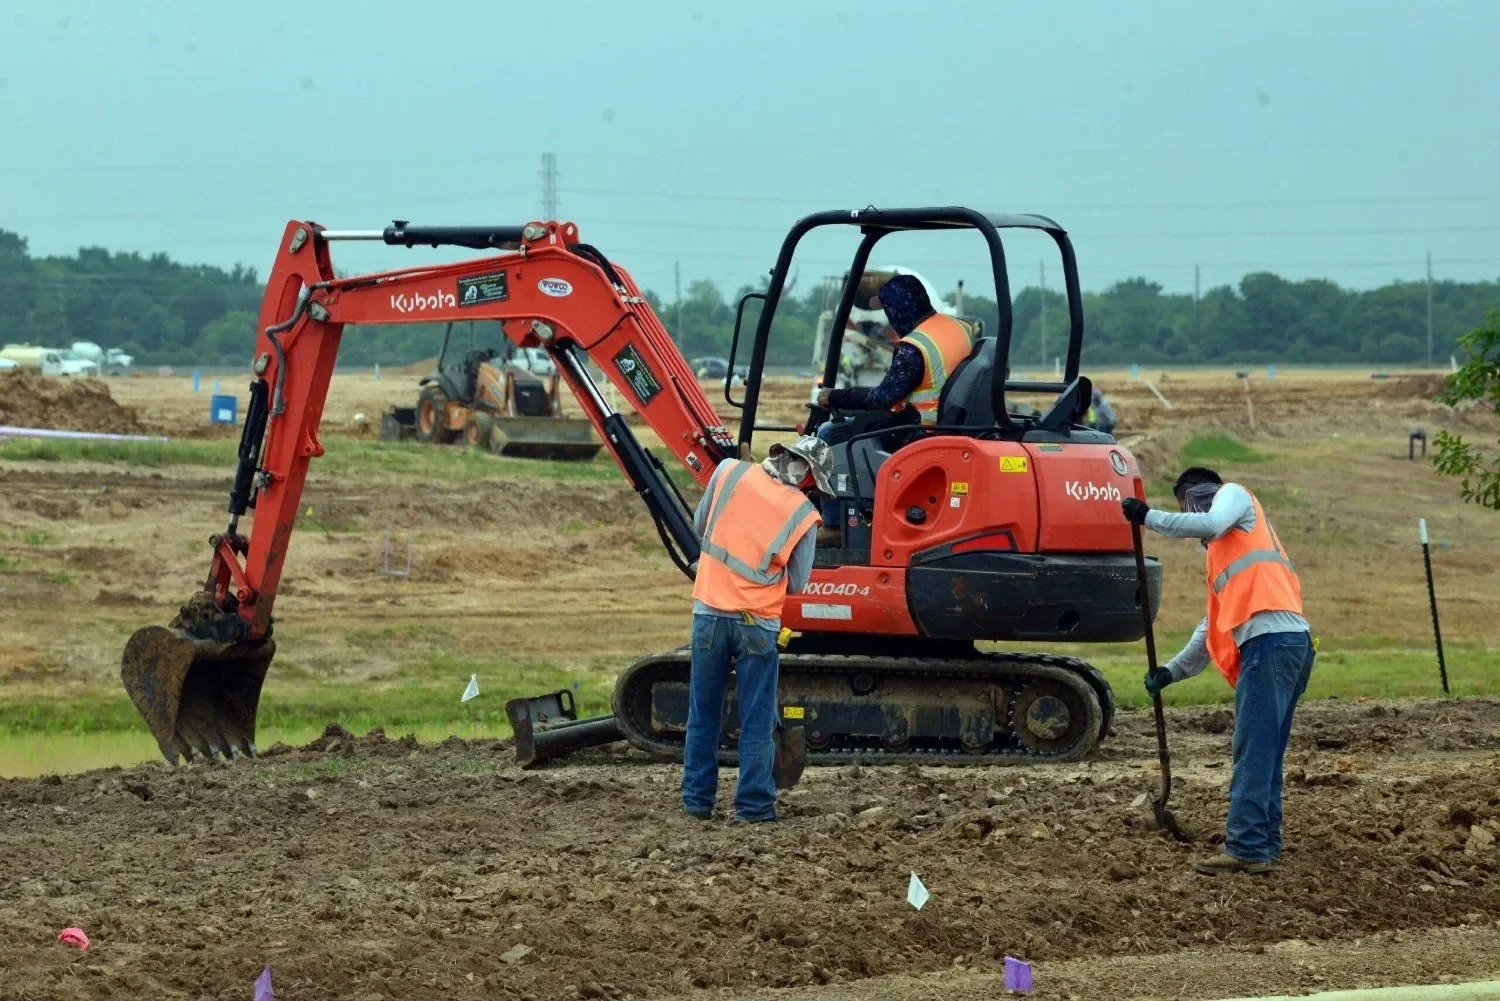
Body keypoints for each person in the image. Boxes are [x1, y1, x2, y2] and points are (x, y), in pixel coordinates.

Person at [1122, 467, 1314, 876]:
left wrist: (1147, 517)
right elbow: (1212, 625)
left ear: (1195, 494)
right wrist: (1171, 671)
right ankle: (1264, 842)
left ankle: (1246, 846)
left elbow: (1206, 521)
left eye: (1184, 507)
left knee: (1254, 751)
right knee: (1266, 752)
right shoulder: (1226, 552)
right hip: (1287, 645)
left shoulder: (1235, 496)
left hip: (1272, 645)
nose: (1188, 517)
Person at [682, 435, 833, 823]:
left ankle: (697, 802)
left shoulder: (728, 471)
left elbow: (701, 527)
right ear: (809, 477)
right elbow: (797, 583)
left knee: (703, 713)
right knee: (756, 720)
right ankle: (753, 807)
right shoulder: (803, 513)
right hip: (757, 625)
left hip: (709, 613)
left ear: (781, 454)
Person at [811, 274, 976, 533]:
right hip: (952, 420)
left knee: (831, 434)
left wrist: (835, 397)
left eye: (888, 311)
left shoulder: (914, 346)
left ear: (897, 309)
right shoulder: (958, 328)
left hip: (922, 430)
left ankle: (834, 527)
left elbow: (882, 398)